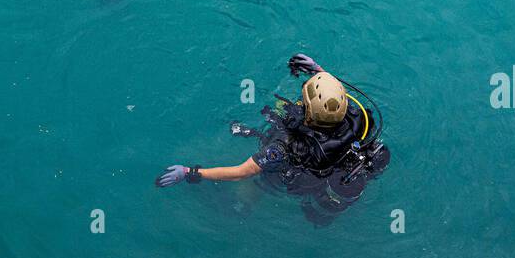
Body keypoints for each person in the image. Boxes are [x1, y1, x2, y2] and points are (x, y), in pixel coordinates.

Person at [155, 54, 388, 221]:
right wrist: (319, 71)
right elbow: (331, 100)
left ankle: (240, 211)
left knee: (256, 184)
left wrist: (190, 173)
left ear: (307, 107)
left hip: (303, 175)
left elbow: (240, 172)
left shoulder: (286, 147)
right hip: (334, 163)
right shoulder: (357, 118)